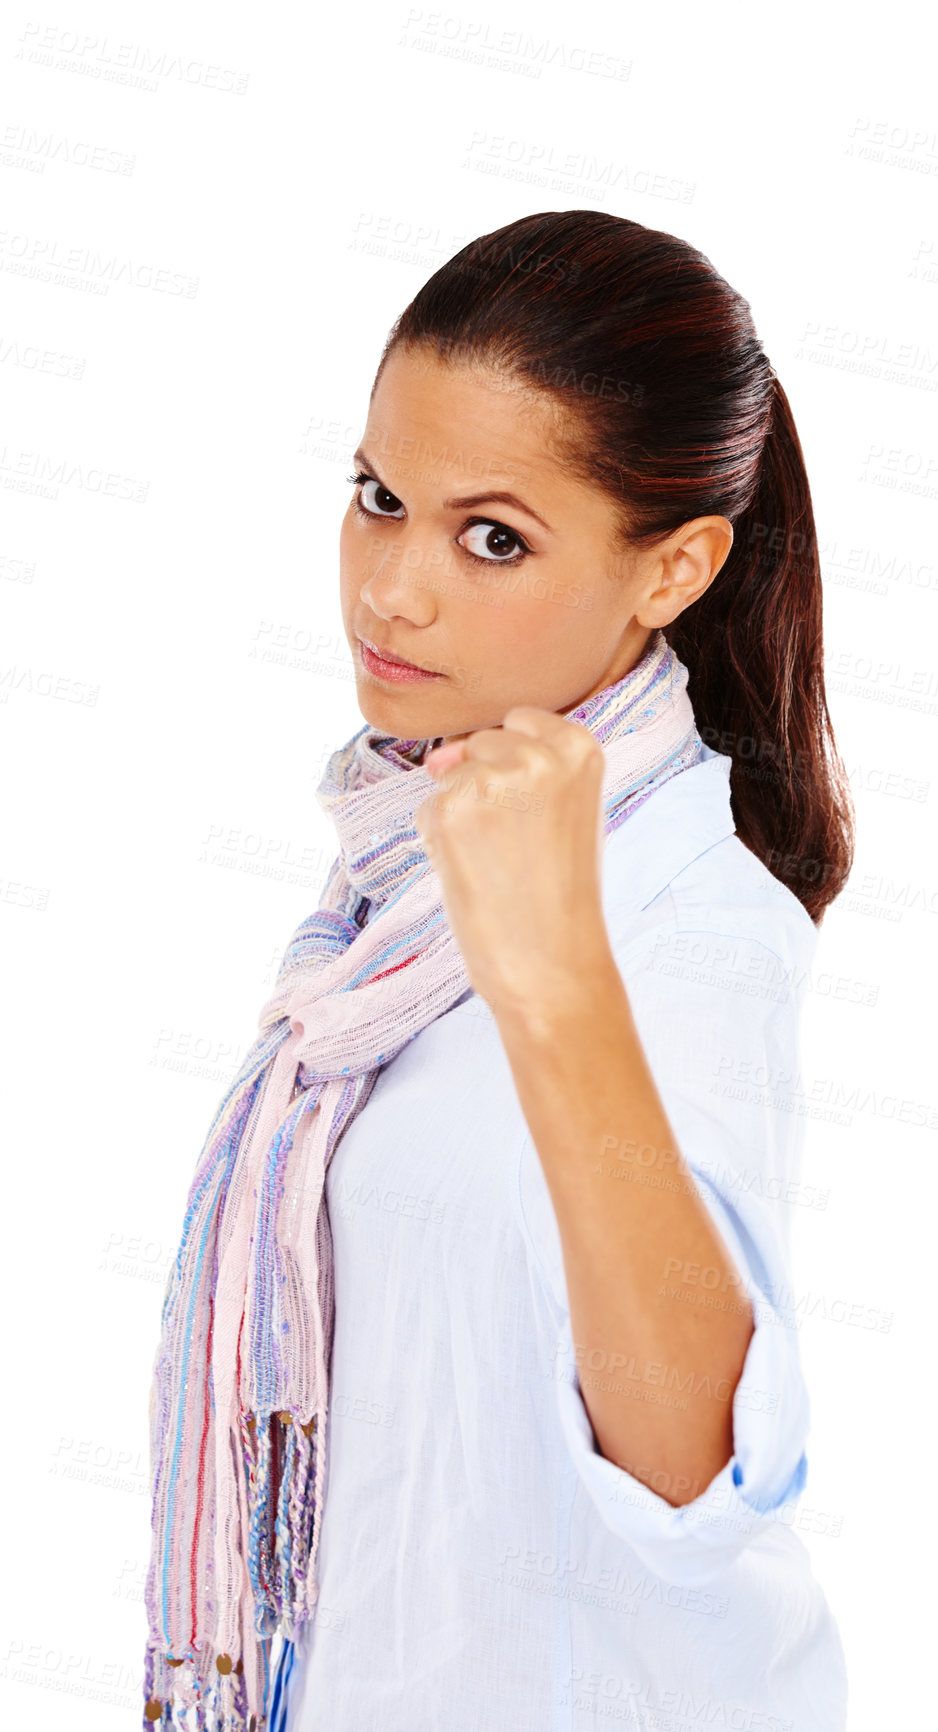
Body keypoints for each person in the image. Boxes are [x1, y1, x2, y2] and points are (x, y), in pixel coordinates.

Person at [142, 209, 855, 1732]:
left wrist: (552, 981)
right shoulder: (392, 889)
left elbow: (695, 1467)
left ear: (672, 567)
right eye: (378, 496)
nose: (392, 588)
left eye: (492, 537)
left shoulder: (691, 924)